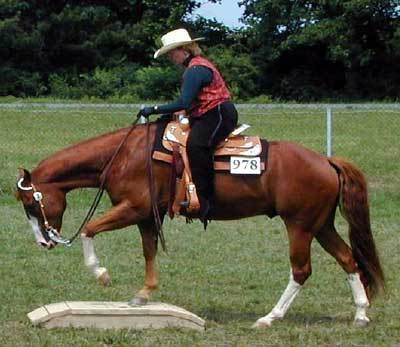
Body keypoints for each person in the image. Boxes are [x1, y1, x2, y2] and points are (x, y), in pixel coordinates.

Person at [138, 28, 238, 221]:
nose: (170, 57)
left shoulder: (196, 70)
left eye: (172, 53)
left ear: (185, 50)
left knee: (196, 146)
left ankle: (206, 199)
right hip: (208, 114)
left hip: (217, 114)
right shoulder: (194, 67)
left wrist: (153, 109)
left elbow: (183, 102)